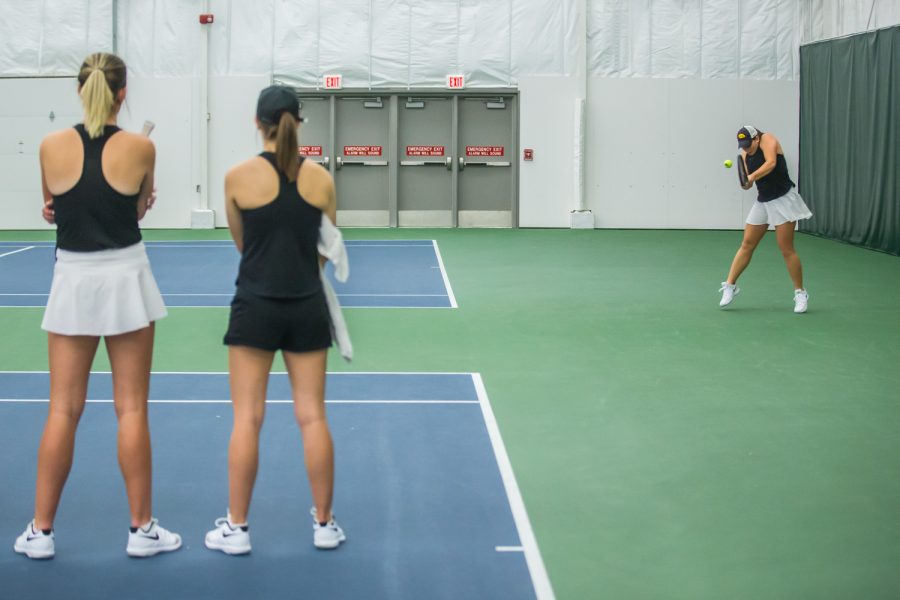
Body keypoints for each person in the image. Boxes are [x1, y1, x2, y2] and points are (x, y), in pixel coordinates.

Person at [14, 52, 181, 560]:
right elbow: (135, 209)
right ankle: (141, 530)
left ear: (79, 90)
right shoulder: (141, 148)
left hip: (73, 277)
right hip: (126, 276)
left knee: (62, 409)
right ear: (123, 94)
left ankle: (41, 532)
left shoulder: (49, 146)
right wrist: (139, 202)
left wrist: (58, 207)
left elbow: (53, 208)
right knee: (131, 407)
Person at [205, 85, 345, 555]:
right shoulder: (321, 180)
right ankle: (325, 525)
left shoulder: (236, 178)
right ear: (298, 122)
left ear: (257, 122)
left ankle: (237, 528)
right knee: (312, 417)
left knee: (247, 418)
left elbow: (243, 244)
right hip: (307, 306)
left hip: (255, 306)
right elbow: (323, 248)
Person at [719, 125, 813, 313]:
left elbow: (771, 163)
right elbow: (748, 184)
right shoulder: (745, 155)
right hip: (763, 202)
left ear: (756, 139)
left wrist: (751, 176)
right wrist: (746, 183)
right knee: (747, 244)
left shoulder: (768, 139)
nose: (746, 149)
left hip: (783, 200)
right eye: (742, 146)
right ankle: (730, 285)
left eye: (748, 144)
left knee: (786, 248)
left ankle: (800, 293)